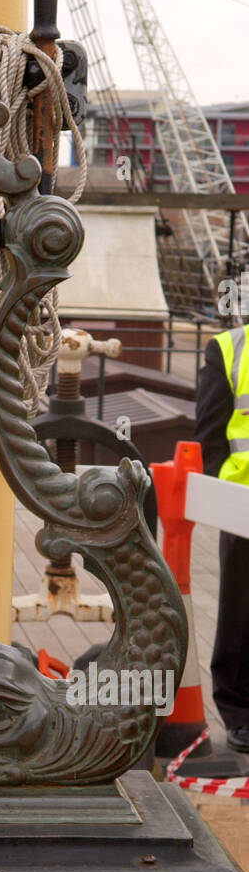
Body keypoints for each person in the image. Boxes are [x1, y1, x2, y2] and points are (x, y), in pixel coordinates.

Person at [194, 320, 249, 753]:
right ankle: (240, 713)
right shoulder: (229, 349)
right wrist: (221, 499)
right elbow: (210, 437)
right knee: (241, 610)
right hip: (244, 506)